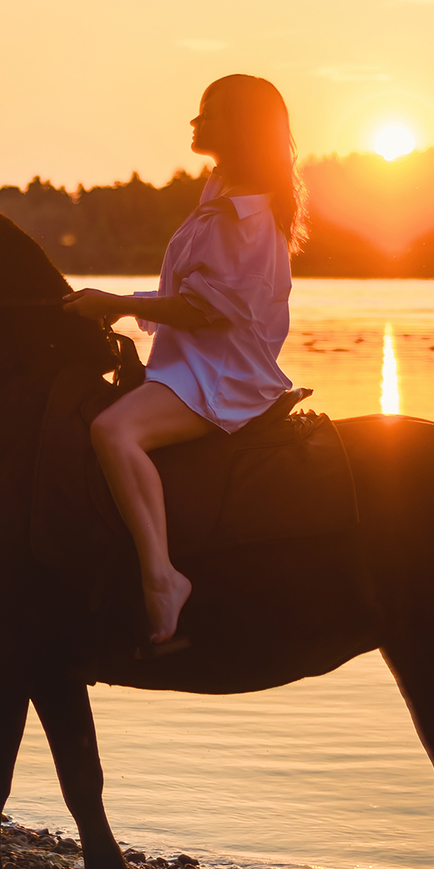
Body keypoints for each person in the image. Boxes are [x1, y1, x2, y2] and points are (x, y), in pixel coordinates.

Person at [62, 74, 302, 653]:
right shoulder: (220, 197)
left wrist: (115, 304)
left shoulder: (239, 219)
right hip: (189, 363)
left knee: (113, 431)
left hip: (217, 375)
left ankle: (163, 578)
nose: (195, 123)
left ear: (241, 129)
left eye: (210, 114)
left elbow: (202, 311)